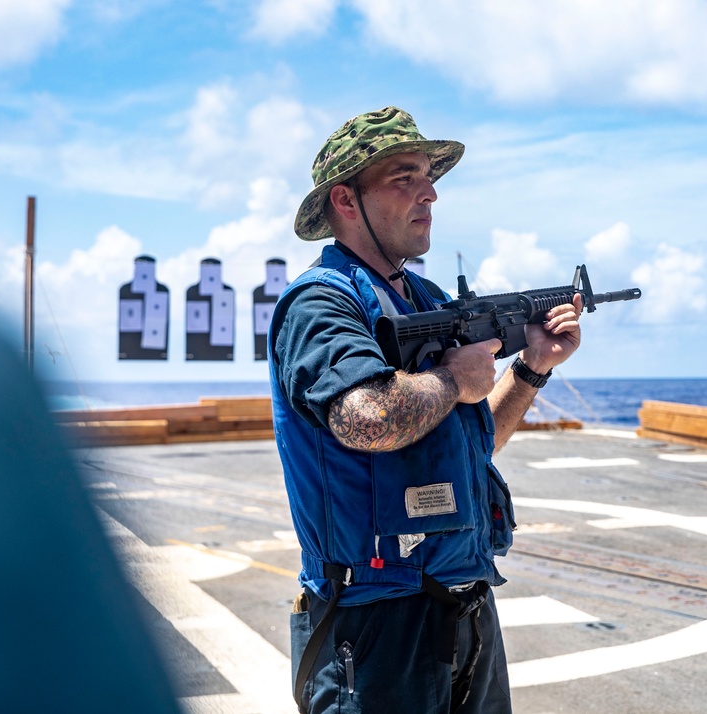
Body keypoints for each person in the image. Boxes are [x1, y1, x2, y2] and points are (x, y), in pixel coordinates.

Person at [268, 106, 583, 714]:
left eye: (429, 177)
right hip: (374, 623)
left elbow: (474, 440)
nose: (430, 193)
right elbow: (365, 416)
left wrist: (532, 367)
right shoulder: (320, 303)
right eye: (403, 178)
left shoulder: (428, 299)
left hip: (462, 605)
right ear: (346, 200)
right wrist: (451, 378)